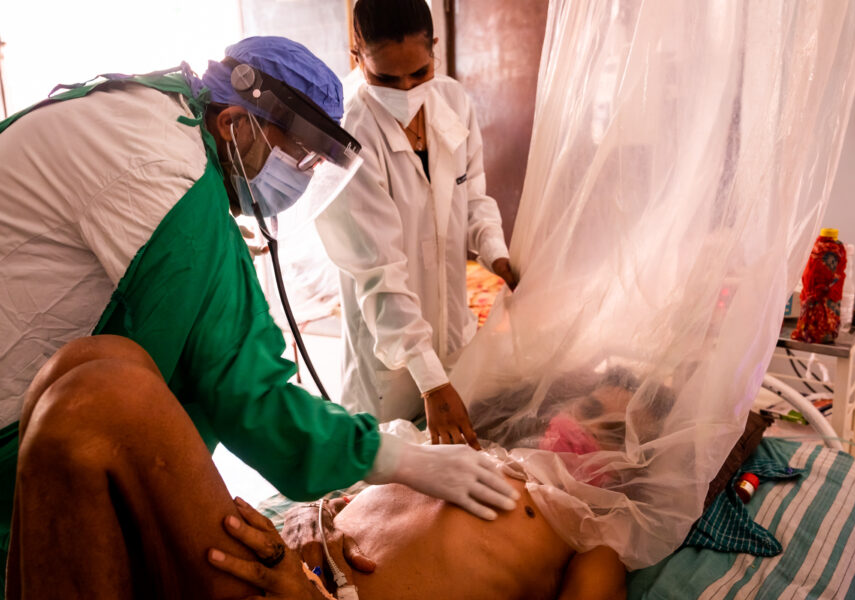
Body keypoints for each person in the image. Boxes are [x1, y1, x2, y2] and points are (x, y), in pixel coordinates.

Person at [0, 36, 519, 586]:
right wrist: (406, 462)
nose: (301, 175)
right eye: (298, 155)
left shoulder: (158, 121)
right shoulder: (162, 175)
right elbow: (237, 385)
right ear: (233, 123)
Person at [8, 334, 625, 599]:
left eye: (615, 435)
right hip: (270, 563)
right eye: (591, 409)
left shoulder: (588, 546)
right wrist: (322, 517)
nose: (588, 432)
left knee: (104, 397)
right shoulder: (475, 456)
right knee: (88, 364)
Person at [315, 0, 518, 447]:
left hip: (452, 329)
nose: (405, 89)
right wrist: (429, 380)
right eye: (386, 78)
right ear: (357, 55)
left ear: (435, 50)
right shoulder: (346, 131)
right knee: (391, 479)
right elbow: (378, 272)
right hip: (388, 353)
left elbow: (473, 193)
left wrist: (494, 252)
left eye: (419, 73)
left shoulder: (452, 101)